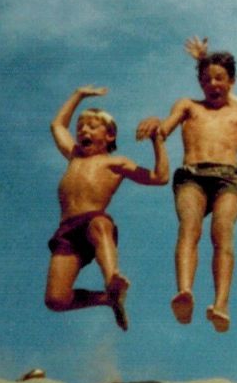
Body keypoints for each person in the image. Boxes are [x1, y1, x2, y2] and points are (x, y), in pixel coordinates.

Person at [136, 37, 237, 333]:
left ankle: (221, 303)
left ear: (231, 81)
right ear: (200, 83)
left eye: (219, 78)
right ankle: (184, 291)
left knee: (222, 233)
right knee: (190, 226)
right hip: (191, 175)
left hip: (228, 178)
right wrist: (156, 123)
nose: (212, 84)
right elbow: (164, 130)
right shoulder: (187, 105)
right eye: (206, 79)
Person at [46, 85, 168, 330]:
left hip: (93, 220)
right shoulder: (74, 155)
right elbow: (57, 126)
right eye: (80, 127)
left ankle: (111, 276)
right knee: (56, 299)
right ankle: (107, 299)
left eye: (92, 126)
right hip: (67, 231)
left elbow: (160, 177)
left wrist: (157, 141)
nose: (83, 131)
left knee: (101, 223)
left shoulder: (115, 162)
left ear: (109, 136)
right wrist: (78, 95)